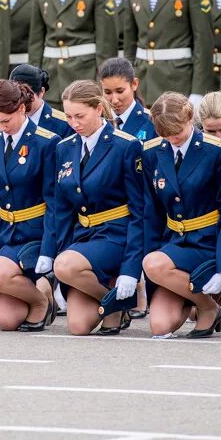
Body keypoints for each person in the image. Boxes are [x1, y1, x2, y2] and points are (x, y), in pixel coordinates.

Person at [52, 79, 144, 335]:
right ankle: (116, 302)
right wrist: (55, 265)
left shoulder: (125, 146)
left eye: (80, 115)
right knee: (78, 327)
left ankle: (116, 300)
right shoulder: (64, 148)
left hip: (116, 233)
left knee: (66, 266)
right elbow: (61, 211)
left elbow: (139, 212)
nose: (74, 123)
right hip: (83, 236)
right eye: (69, 116)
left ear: (98, 109)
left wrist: (130, 269)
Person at [142, 92, 221, 338]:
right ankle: (207, 306)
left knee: (154, 264)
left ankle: (204, 307)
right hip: (176, 242)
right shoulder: (152, 152)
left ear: (190, 117)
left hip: (209, 240)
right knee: (160, 326)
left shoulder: (216, 151)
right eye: (164, 134)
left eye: (177, 131)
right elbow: (152, 212)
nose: (172, 139)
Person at [0, 79, 59, 331]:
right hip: (7, 235)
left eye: (6, 121)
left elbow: (55, 202)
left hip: (36, 233)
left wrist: (48, 250)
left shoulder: (46, 142)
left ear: (22, 109)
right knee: (6, 320)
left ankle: (40, 302)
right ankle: (39, 293)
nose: (2, 127)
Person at [99, 58, 155, 141]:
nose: (114, 100)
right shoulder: (97, 121)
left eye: (120, 91)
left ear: (134, 84)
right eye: (108, 92)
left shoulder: (152, 122)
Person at [9, 64, 71, 138]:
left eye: (28, 97)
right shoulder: (6, 119)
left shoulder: (64, 124)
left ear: (41, 92)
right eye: (16, 98)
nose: (21, 102)